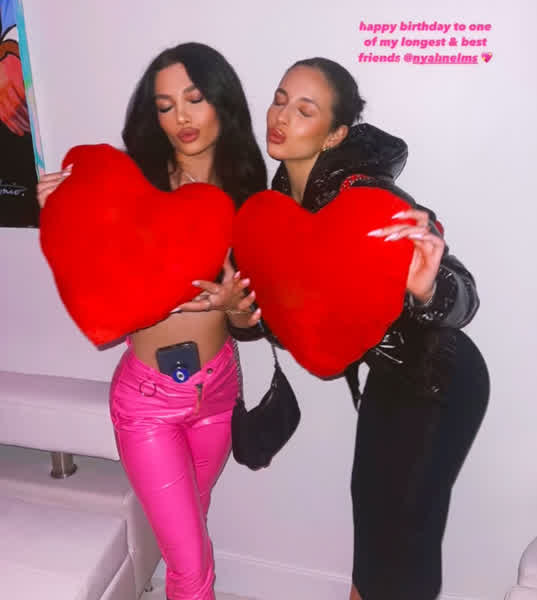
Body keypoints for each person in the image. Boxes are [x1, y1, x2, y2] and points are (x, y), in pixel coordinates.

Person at [219, 57, 488, 600]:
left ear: (335, 133)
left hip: (443, 378)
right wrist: (240, 317)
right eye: (279, 100)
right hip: (391, 379)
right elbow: (294, 322)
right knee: (373, 522)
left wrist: (428, 288)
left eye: (304, 110)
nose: (280, 116)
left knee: (405, 536)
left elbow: (464, 295)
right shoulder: (275, 214)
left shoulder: (366, 198)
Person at [37, 42, 265, 600]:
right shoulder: (131, 184)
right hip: (148, 403)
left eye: (194, 98)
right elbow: (96, 277)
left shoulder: (249, 193)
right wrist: (61, 210)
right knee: (193, 568)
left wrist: (235, 308)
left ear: (222, 102)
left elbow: (256, 319)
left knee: (191, 533)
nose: (181, 116)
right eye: (165, 105)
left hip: (219, 391)